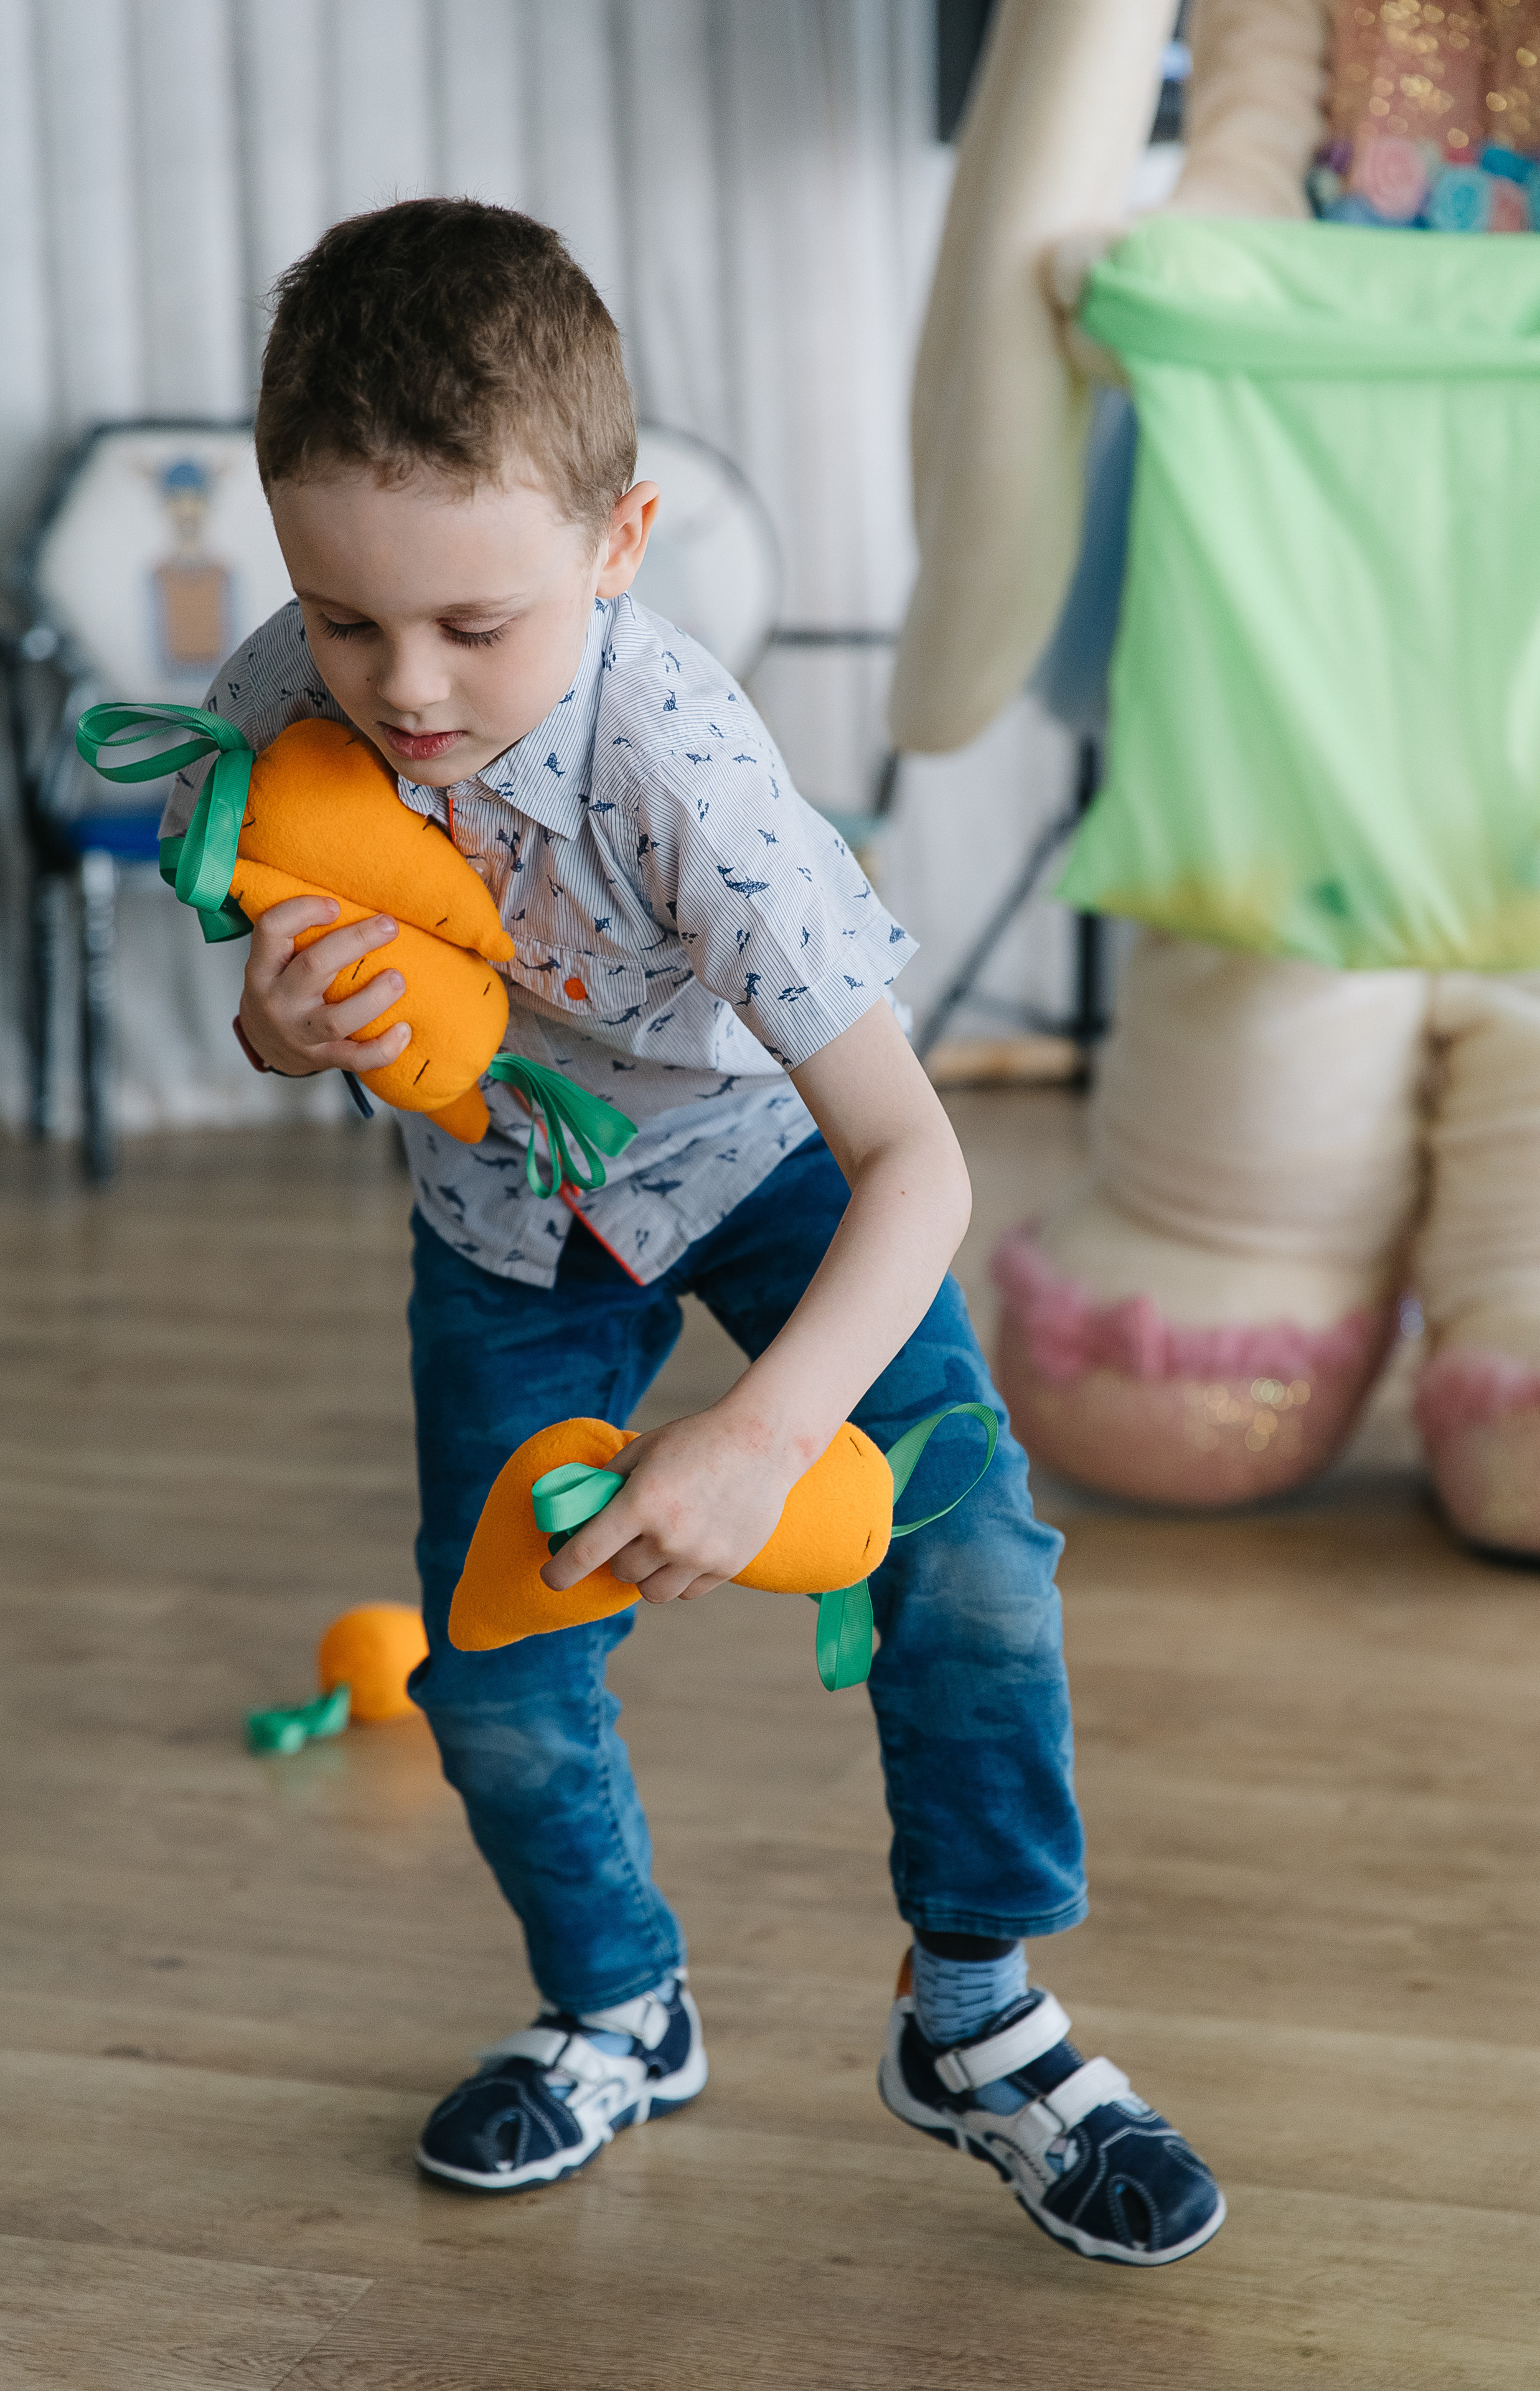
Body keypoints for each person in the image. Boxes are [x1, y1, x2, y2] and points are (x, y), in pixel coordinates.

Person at [171, 196, 1223, 2266]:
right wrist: (277, 1030)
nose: (400, 686)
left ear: (617, 543)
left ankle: (980, 2013)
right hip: (503, 1225)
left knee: (979, 1555)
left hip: (764, 1161)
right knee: (494, 1674)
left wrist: (760, 1442)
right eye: (346, 615)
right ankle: (618, 2007)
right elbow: (297, 974)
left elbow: (922, 1162)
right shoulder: (283, 683)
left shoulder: (683, 763)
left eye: (475, 626)